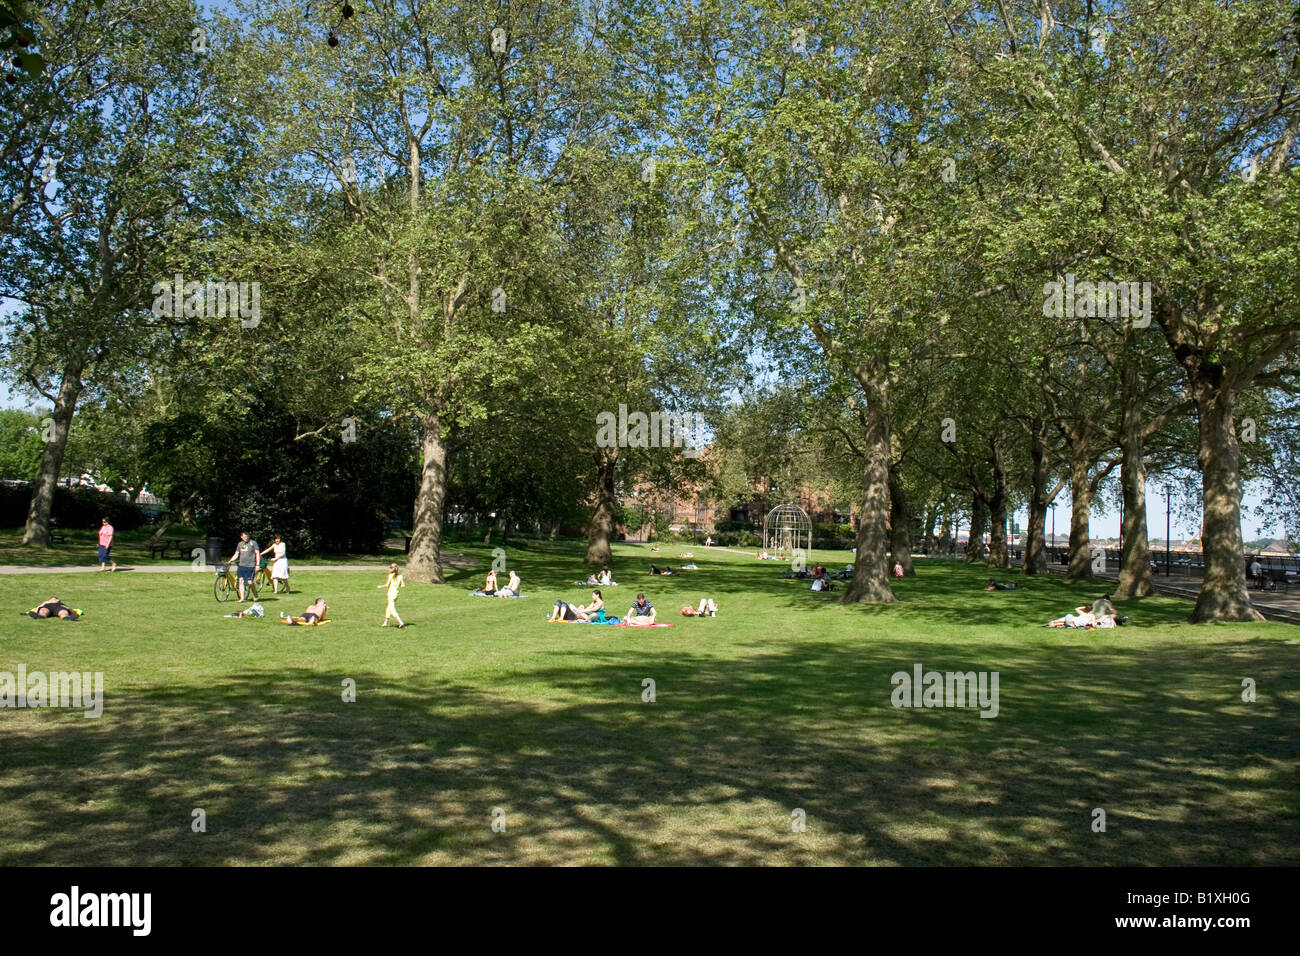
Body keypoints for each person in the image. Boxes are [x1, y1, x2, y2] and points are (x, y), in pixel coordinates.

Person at [227, 531, 261, 602]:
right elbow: (237, 553)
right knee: (241, 581)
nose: (246, 538)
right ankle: (242, 598)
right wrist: (231, 560)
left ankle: (255, 594)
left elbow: (257, 554)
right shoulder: (240, 544)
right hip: (241, 565)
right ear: (241, 537)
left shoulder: (253, 543)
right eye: (244, 537)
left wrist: (257, 564)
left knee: (250, 582)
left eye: (247, 536)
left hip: (251, 565)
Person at [378, 563, 405, 627]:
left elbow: (387, 585)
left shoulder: (390, 576)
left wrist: (380, 586)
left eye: (390, 568)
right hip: (396, 594)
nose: (389, 569)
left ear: (393, 569)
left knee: (392, 610)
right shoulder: (400, 576)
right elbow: (403, 585)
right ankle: (385, 622)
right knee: (388, 608)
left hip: (391, 594)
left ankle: (400, 622)